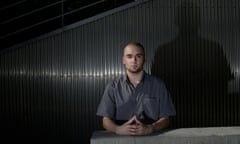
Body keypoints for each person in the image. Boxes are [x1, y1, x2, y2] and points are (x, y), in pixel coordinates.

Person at [96, 41, 176, 135]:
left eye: (138, 56)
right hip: (122, 139)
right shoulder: (113, 87)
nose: (134, 60)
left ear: (144, 59)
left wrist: (151, 128)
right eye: (129, 56)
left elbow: (166, 119)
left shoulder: (158, 85)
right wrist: (118, 129)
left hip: (151, 138)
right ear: (123, 60)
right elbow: (105, 120)